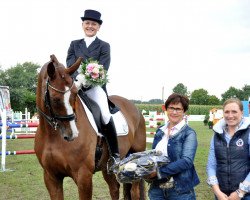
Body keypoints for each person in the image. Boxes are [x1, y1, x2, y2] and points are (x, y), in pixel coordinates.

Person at [66, 9, 120, 173]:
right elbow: (70, 64)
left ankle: (115, 154)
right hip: (76, 86)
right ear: (83, 24)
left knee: (104, 113)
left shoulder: (104, 46)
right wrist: (77, 80)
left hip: (95, 87)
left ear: (98, 27)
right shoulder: (74, 44)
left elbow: (103, 68)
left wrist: (87, 81)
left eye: (94, 24)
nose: (90, 26)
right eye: (87, 23)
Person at [147, 93, 200, 200]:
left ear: (184, 111)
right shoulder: (160, 131)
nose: (174, 112)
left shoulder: (189, 133)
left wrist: (158, 173)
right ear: (166, 109)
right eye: (171, 108)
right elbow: (154, 156)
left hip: (180, 191)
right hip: (157, 190)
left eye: (178, 109)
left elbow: (187, 161)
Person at [206, 98, 250, 200]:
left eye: (234, 112)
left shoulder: (248, 133)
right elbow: (211, 165)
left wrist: (240, 192)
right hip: (221, 195)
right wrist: (217, 192)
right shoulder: (217, 135)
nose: (230, 116)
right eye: (227, 112)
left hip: (245, 195)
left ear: (242, 112)